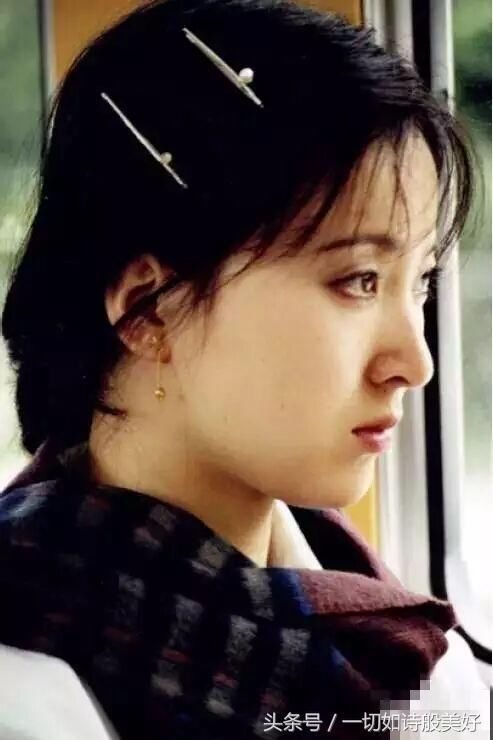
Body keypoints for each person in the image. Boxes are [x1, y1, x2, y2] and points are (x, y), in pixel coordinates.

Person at [0, 0, 488, 738]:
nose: (413, 364)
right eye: (358, 280)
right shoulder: (25, 689)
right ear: (150, 310)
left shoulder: (389, 643)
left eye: (418, 283)